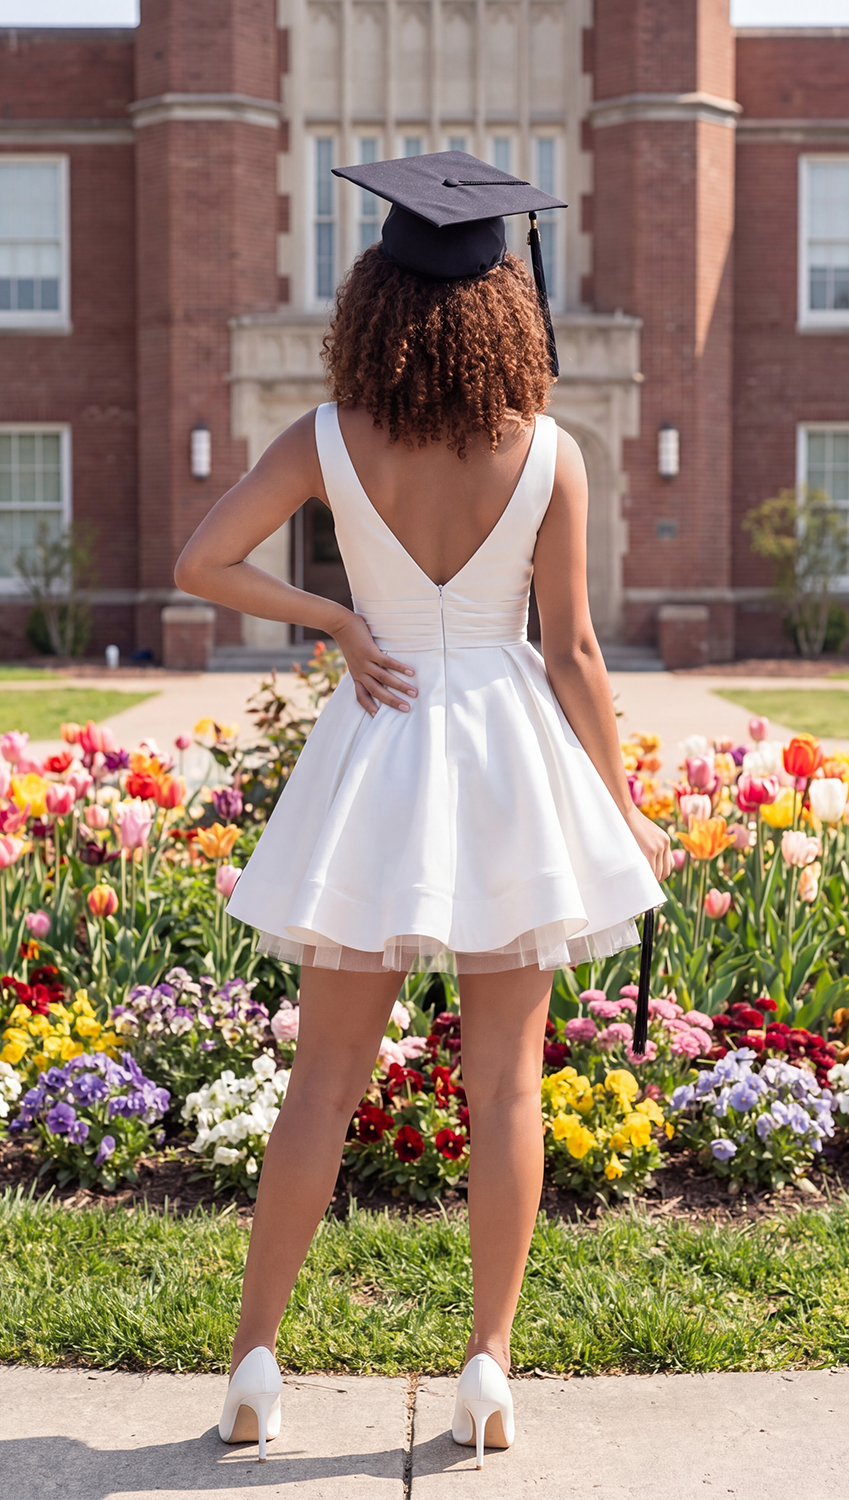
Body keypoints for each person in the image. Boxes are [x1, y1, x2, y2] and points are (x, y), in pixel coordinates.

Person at [174, 150, 671, 1470]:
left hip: (378, 755)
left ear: (374, 302)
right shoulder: (551, 453)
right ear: (507, 307)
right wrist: (622, 805)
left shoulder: (327, 437)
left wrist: (339, 618)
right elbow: (573, 651)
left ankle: (255, 1364)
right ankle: (488, 1370)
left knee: (320, 1084)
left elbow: (202, 562)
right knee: (506, 1083)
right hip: (508, 762)